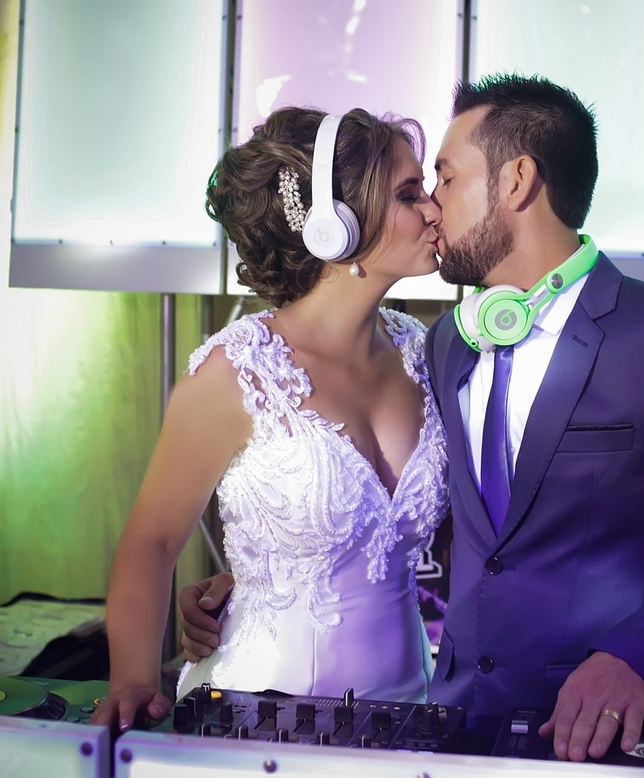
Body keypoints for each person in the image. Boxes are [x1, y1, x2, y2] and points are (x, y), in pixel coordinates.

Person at [180, 74, 644, 762]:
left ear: (517, 181)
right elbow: (430, 520)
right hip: (453, 731)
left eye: (445, 179)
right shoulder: (445, 344)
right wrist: (270, 574)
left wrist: (638, 655)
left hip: (612, 740)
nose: (432, 206)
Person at [91, 106, 449, 733]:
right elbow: (152, 542)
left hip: (408, 715)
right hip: (259, 722)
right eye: (408, 193)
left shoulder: (422, 353)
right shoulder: (236, 371)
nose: (434, 210)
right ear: (336, 224)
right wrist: (132, 682)